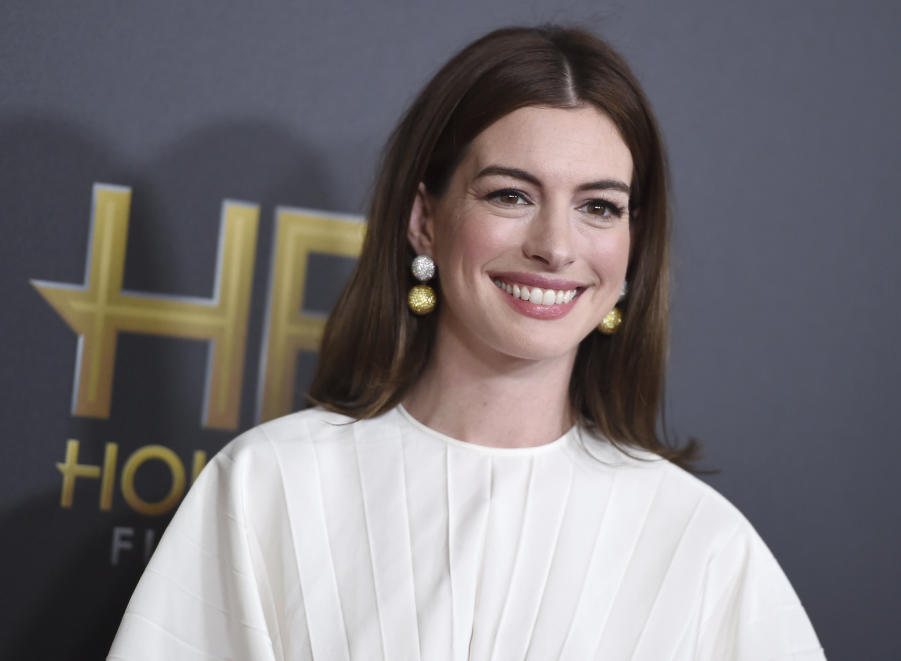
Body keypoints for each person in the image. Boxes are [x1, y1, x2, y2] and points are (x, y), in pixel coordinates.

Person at [108, 25, 826, 660]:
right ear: (425, 219)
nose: (554, 246)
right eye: (510, 194)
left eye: (598, 207)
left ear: (633, 249)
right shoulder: (269, 487)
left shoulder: (701, 546)